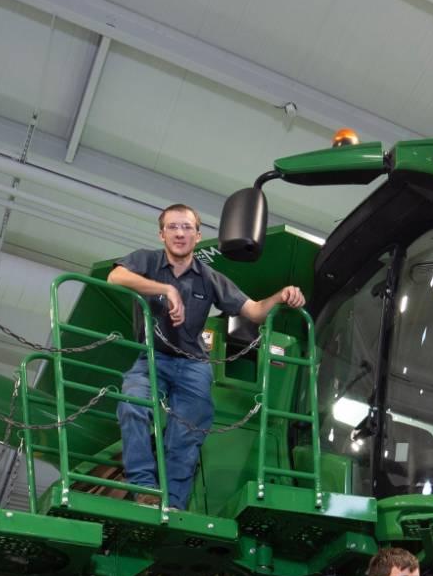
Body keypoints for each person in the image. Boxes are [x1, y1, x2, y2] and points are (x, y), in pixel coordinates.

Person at [107, 203, 306, 510]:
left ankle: (172, 504)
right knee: (133, 404)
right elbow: (116, 278)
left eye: (187, 227)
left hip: (193, 364)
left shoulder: (210, 278)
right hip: (152, 357)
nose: (180, 233)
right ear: (161, 234)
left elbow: (253, 310)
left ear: (198, 236)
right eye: (172, 227)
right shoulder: (145, 260)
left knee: (187, 430)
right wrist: (165, 290)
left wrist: (280, 296)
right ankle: (145, 489)